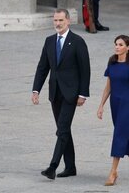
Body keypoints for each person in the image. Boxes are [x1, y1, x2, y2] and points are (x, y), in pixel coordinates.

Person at [31, 9, 90, 180]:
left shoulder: (77, 42)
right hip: (55, 93)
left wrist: (83, 94)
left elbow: (85, 70)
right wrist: (36, 90)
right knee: (64, 130)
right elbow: (43, 67)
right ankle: (70, 167)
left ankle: (52, 166)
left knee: (62, 129)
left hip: (71, 94)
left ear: (68, 21)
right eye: (55, 20)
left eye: (61, 20)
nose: (57, 23)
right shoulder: (49, 41)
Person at [97, 35, 129, 186]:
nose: (117, 47)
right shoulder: (112, 63)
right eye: (116, 44)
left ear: (128, 48)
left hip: (128, 104)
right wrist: (101, 105)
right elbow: (108, 86)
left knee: (119, 134)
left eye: (120, 44)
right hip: (115, 104)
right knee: (124, 133)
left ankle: (113, 171)